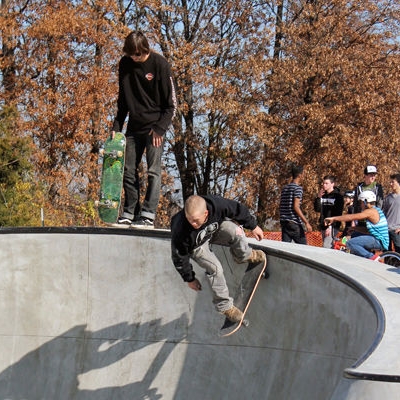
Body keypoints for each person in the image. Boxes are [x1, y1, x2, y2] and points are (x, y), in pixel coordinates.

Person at [111, 31, 177, 229]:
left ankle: (148, 215)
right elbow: (122, 100)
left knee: (153, 172)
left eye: (138, 54)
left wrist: (160, 128)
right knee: (128, 170)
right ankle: (130, 211)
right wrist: (117, 126)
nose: (135, 58)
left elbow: (171, 105)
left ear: (146, 50)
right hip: (134, 126)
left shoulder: (160, 65)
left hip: (154, 127)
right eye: (132, 54)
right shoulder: (125, 65)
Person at [171, 195, 266, 323]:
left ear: (206, 213)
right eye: (189, 219)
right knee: (216, 268)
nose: (192, 224)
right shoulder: (180, 228)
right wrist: (189, 279)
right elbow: (179, 256)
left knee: (235, 231)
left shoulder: (217, 205)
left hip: (213, 232)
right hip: (196, 246)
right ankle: (225, 307)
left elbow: (237, 209)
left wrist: (253, 226)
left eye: (196, 220)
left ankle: (243, 255)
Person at [324, 191, 389, 260]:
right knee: (354, 235)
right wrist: (355, 228)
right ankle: (360, 256)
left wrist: (334, 218)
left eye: (361, 202)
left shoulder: (370, 211)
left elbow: (352, 217)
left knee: (350, 243)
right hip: (377, 238)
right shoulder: (376, 210)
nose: (360, 205)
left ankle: (372, 257)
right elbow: (368, 231)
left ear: (365, 201)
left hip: (379, 241)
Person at [279, 165, 312, 244]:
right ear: (300, 175)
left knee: (285, 248)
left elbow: (281, 205)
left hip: (284, 222)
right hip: (293, 223)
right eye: (303, 174)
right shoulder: (298, 189)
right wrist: (306, 222)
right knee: (303, 248)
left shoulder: (285, 188)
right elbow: (296, 207)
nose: (304, 176)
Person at [313, 175, 344, 248]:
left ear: (332, 184)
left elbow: (338, 213)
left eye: (326, 183)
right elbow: (317, 209)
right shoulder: (323, 195)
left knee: (326, 246)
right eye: (323, 183)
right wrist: (318, 198)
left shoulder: (338, 196)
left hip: (332, 226)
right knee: (328, 246)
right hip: (323, 225)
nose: (324, 185)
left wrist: (330, 227)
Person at [382, 173, 400, 253]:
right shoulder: (388, 197)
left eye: (393, 182)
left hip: (397, 230)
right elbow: (384, 213)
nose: (391, 184)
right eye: (390, 182)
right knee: (386, 252)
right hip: (386, 229)